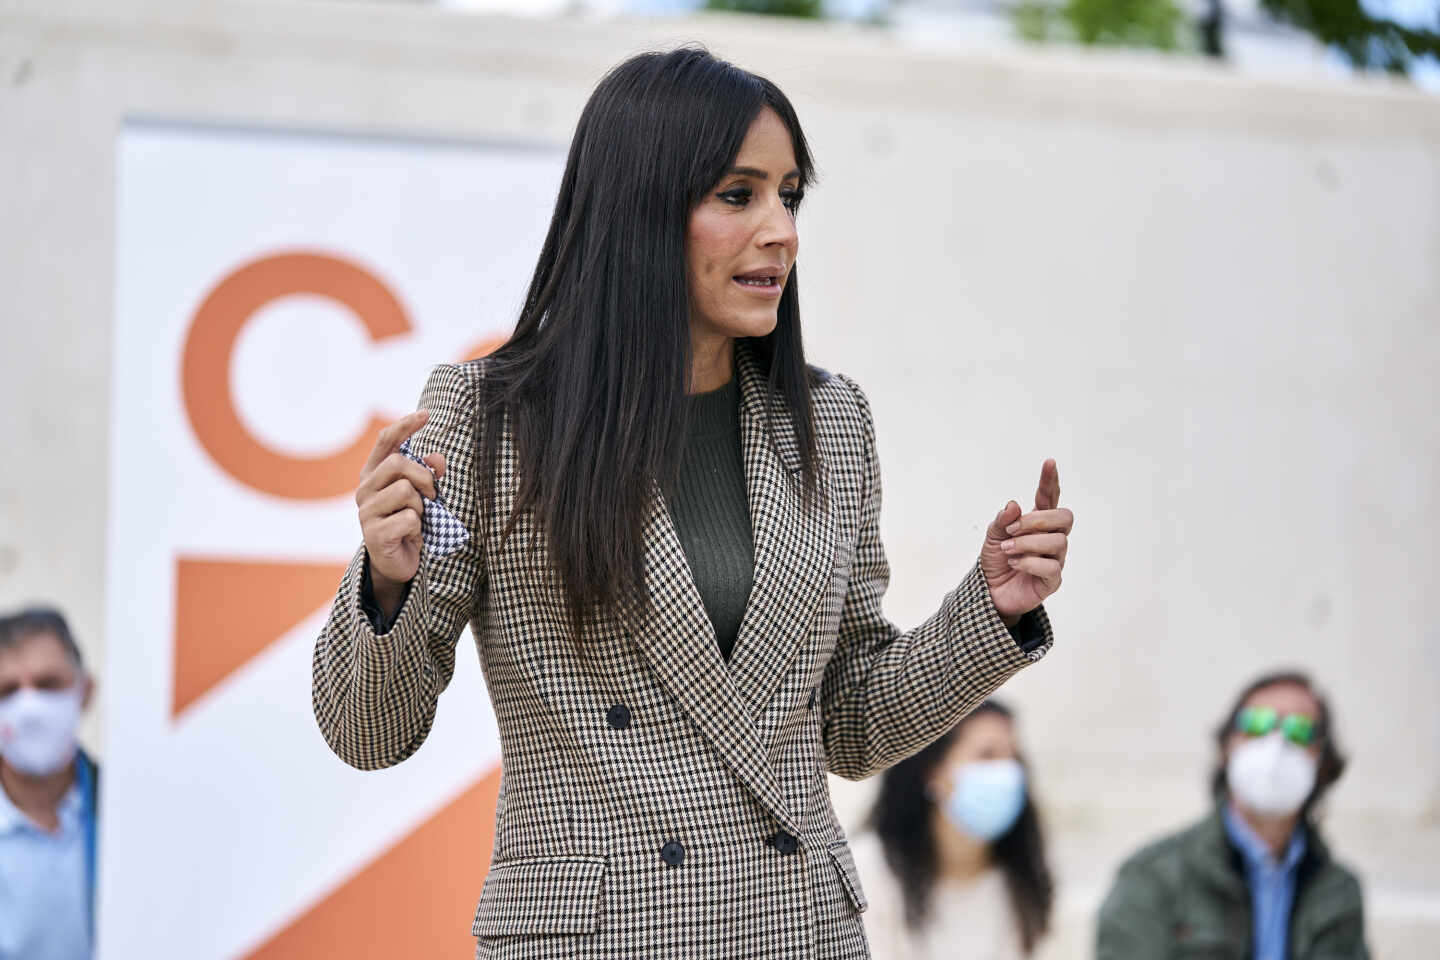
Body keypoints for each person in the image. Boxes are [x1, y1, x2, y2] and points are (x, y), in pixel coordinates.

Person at [312, 47, 1074, 958]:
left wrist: (988, 612)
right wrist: (387, 588)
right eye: (737, 194)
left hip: (798, 929)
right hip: (598, 935)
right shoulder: (490, 420)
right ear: (639, 210)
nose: (781, 230)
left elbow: (851, 722)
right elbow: (368, 733)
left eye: (790, 195)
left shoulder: (827, 422)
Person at [1096, 669, 1369, 960]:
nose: (1275, 745)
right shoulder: (1153, 878)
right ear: (1226, 747)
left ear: (1324, 762)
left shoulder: (1339, 892)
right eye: (1256, 725)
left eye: (1299, 731)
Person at [850, 700, 1054, 959]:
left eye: (1014, 757)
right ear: (932, 771)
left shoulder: (1022, 881)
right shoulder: (869, 871)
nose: (1006, 772)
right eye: (986, 755)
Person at [0, 607, 100, 960]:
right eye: (8, 690)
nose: (29, 708)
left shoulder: (134, 813)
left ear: (85, 690)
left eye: (47, 684)